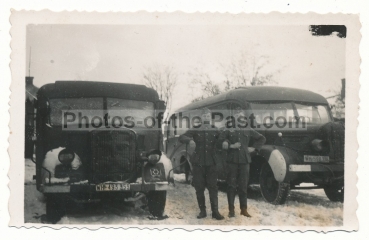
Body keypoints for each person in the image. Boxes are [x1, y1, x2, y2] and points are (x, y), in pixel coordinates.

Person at [218, 107, 266, 218]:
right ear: (234, 117)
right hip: (232, 160)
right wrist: (230, 145)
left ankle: (243, 209)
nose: (239, 117)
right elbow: (220, 141)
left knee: (243, 186)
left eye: (241, 116)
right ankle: (231, 210)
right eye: (237, 115)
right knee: (231, 186)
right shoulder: (228, 129)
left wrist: (254, 148)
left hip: (245, 161)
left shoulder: (248, 129)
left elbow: (262, 138)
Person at [179, 108, 224, 220]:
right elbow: (181, 137)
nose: (206, 117)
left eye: (208, 116)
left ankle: (215, 212)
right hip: (198, 163)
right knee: (199, 188)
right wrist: (189, 140)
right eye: (204, 116)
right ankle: (202, 211)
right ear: (201, 117)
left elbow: (223, 139)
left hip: (211, 163)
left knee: (213, 188)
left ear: (210, 117)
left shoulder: (215, 129)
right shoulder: (196, 129)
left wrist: (226, 142)